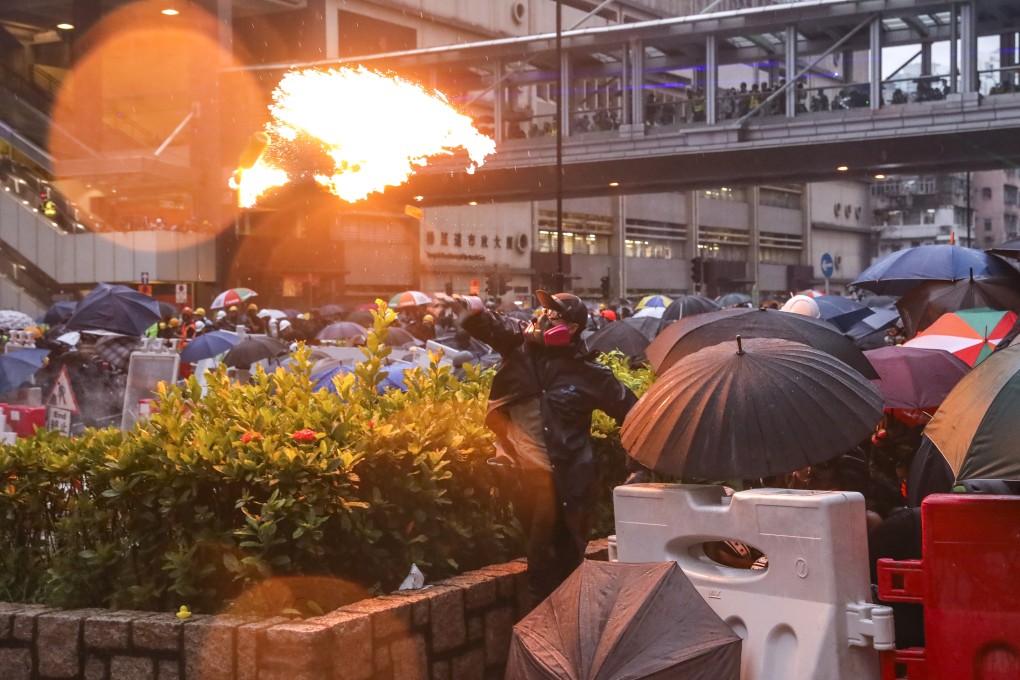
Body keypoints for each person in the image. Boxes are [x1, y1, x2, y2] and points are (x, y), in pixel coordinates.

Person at [456, 290, 638, 607]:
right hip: (520, 479)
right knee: (556, 567)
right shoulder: (520, 348)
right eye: (544, 312)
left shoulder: (589, 373)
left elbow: (634, 414)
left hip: (562, 484)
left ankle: (542, 641)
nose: (544, 318)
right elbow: (491, 326)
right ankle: (564, 630)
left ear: (572, 328)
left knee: (543, 572)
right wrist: (472, 310)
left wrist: (637, 465)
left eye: (554, 316)